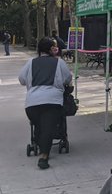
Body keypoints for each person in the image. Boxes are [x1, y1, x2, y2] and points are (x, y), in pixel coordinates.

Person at [18, 37, 72, 169]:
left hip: (32, 104)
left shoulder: (31, 62)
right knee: (48, 128)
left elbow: (22, 80)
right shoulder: (59, 62)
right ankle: (44, 157)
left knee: (40, 126)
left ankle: (38, 142)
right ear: (49, 49)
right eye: (54, 46)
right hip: (52, 101)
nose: (56, 48)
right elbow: (68, 78)